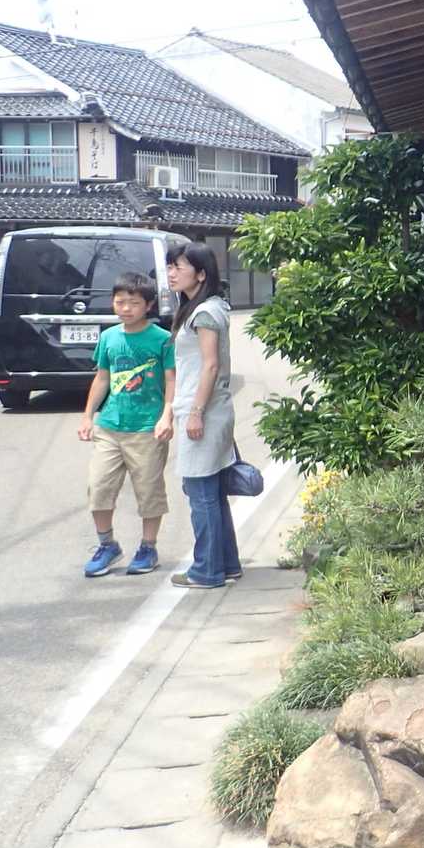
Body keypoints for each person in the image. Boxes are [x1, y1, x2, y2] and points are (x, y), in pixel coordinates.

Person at [77, 272, 176, 577]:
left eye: (133, 303)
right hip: (109, 426)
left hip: (147, 428)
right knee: (98, 486)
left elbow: (172, 380)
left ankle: (148, 547)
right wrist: (88, 415)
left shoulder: (162, 339)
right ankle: (107, 545)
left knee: (149, 491)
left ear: (149, 305)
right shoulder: (109, 337)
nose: (125, 308)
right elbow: (102, 378)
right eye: (120, 302)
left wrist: (167, 414)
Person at [165, 242, 241, 589]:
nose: (171, 273)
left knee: (201, 493)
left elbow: (210, 365)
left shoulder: (205, 312)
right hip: (209, 409)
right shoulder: (204, 307)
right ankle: (226, 565)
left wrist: (195, 412)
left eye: (178, 267)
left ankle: (207, 571)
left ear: (200, 274)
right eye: (170, 266)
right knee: (211, 491)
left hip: (204, 412)